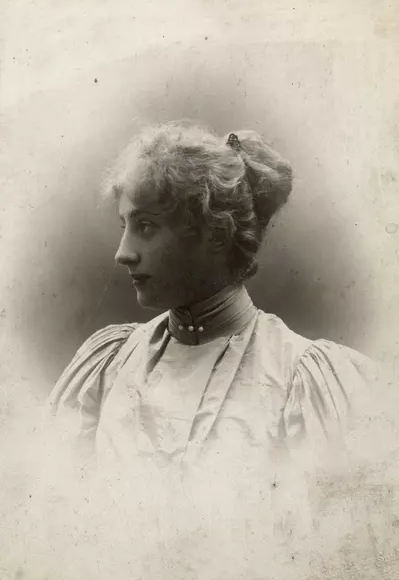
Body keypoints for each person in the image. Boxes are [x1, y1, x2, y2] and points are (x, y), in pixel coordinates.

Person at [46, 121, 379, 469]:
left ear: (215, 233)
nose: (123, 253)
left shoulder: (300, 376)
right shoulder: (110, 364)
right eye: (124, 226)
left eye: (145, 226)